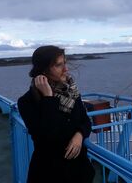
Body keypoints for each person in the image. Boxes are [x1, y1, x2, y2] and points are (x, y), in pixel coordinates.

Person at [17, 45, 95, 183]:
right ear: (43, 71)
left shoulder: (71, 92)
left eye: (64, 63)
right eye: (59, 65)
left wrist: (79, 134)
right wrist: (48, 98)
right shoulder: (27, 102)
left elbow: (85, 120)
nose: (66, 69)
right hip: (50, 174)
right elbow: (47, 138)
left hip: (79, 172)